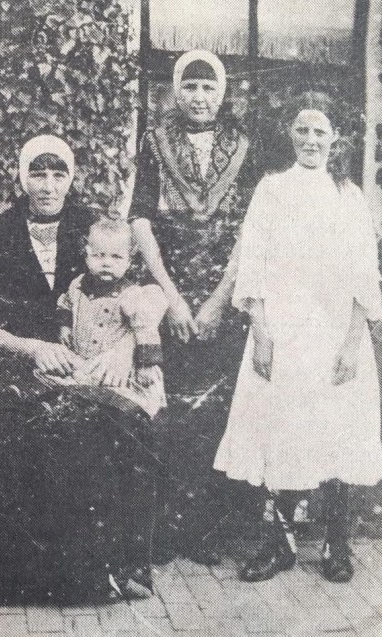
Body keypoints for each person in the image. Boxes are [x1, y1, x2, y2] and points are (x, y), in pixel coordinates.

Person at [0, 134, 142, 601]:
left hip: (86, 363)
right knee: (9, 429)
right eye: (37, 173)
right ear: (21, 177)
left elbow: (146, 292)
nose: (47, 185)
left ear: (71, 178)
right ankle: (16, 579)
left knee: (90, 431)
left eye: (58, 174)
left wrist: (127, 347)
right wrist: (32, 348)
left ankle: (86, 577)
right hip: (15, 362)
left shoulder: (91, 228)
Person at [213, 92, 382, 584]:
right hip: (283, 332)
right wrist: (261, 332)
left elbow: (364, 276)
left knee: (334, 432)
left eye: (320, 131)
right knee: (280, 431)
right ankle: (280, 544)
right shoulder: (272, 189)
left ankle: (336, 543)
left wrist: (353, 342)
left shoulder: (349, 197)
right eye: (302, 129)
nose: (311, 139)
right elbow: (255, 263)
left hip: (333, 334)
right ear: (288, 133)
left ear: (336, 138)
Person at [128, 49, 259, 565]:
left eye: (209, 88)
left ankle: (207, 530)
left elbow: (255, 228)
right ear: (175, 92)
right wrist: (173, 299)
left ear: (222, 93)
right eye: (190, 87)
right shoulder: (153, 142)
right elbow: (140, 220)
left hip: (225, 297)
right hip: (171, 294)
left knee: (216, 414)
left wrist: (218, 301)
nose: (199, 98)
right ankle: (167, 531)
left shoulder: (248, 146)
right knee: (169, 408)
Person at [35, 217, 168, 596]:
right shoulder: (77, 285)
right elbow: (65, 305)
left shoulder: (132, 295)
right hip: (88, 371)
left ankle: (132, 564)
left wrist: (145, 366)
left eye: (116, 257)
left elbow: (145, 330)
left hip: (124, 378)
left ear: (129, 260)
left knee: (124, 437)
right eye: (98, 255)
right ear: (86, 254)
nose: (106, 263)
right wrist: (63, 328)